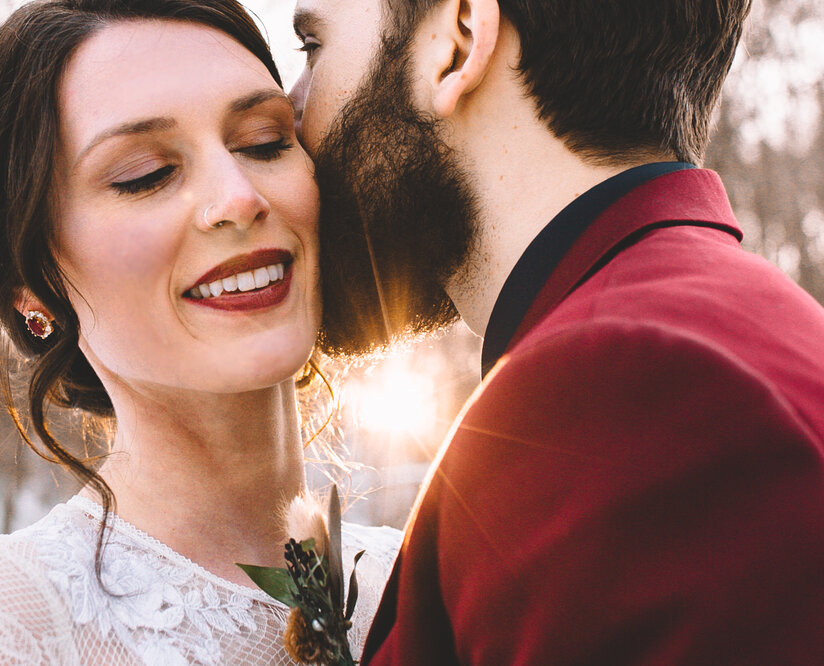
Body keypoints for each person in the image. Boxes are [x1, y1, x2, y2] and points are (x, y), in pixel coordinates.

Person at [0, 1, 400, 664]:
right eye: (147, 175)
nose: (240, 195)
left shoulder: (436, 575)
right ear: (36, 293)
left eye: (264, 141)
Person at [290, 0, 824, 663]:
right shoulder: (728, 326)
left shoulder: (617, 396)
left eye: (311, 49)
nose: (289, 112)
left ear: (455, 43)